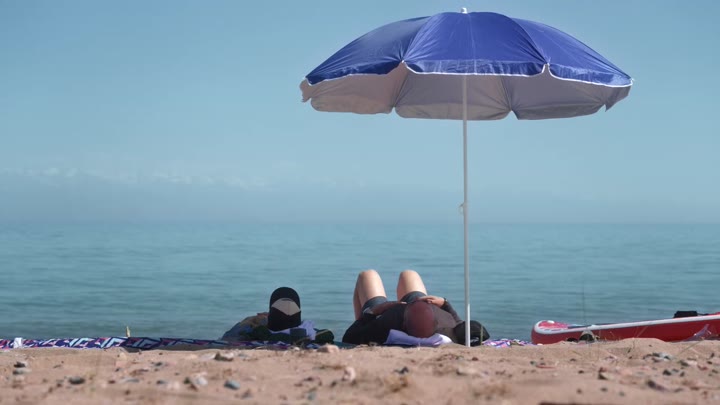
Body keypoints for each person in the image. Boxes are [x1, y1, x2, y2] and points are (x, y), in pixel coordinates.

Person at [342, 269, 489, 346]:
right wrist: (445, 304)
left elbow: (350, 336)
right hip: (419, 309)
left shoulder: (383, 328)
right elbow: (465, 326)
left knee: (367, 275)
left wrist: (373, 312)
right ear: (435, 321)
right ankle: (421, 304)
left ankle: (415, 305)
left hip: (386, 313)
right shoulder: (448, 330)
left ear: (404, 323)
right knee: (409, 274)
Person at [221, 287, 333, 344]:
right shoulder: (311, 332)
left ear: (271, 314)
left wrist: (249, 321)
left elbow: (226, 338)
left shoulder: (255, 332)